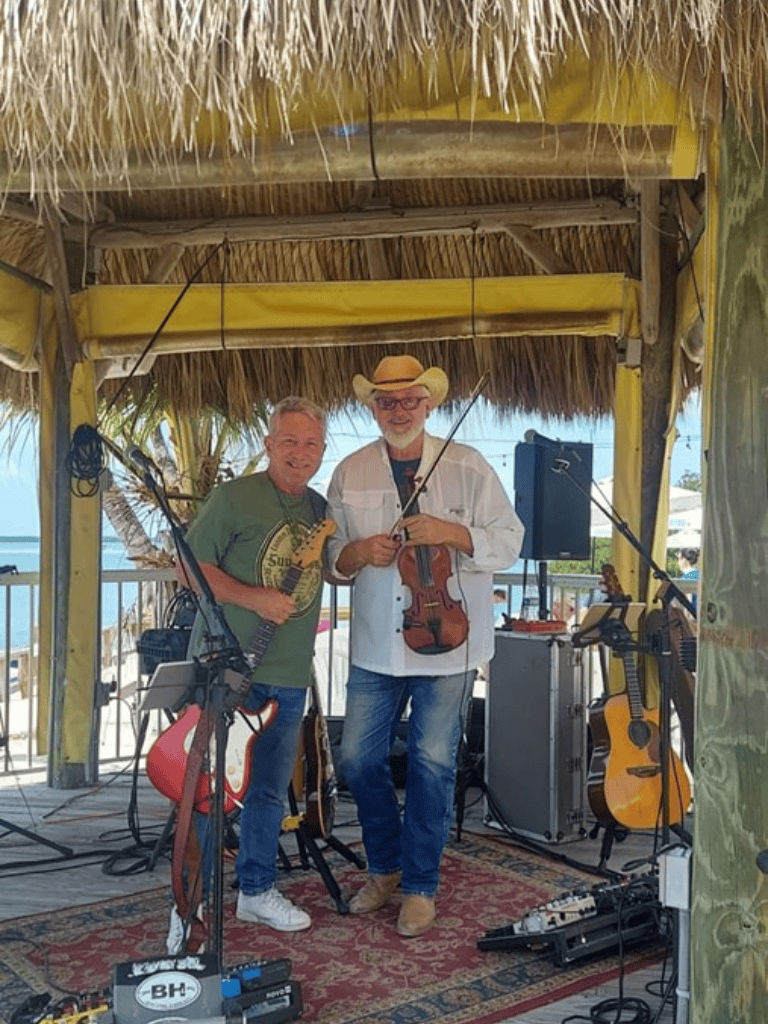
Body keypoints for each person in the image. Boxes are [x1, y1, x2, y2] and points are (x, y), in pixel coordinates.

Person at [326, 354, 524, 938]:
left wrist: (451, 533)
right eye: (386, 401)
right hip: (375, 646)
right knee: (357, 760)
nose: (398, 409)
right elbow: (335, 558)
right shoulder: (351, 471)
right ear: (372, 407)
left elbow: (509, 541)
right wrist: (359, 553)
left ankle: (419, 886)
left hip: (452, 641)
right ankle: (384, 867)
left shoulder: (468, 465)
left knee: (433, 764)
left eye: (410, 399)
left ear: (429, 403)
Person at [172, 396, 328, 943]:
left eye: (311, 444)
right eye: (289, 441)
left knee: (266, 790)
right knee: (211, 790)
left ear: (322, 451)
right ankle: (187, 900)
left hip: (287, 675)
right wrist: (253, 598)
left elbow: (339, 572)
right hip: (228, 670)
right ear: (268, 444)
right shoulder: (233, 498)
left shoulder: (319, 510)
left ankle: (256, 891)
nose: (299, 452)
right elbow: (188, 568)